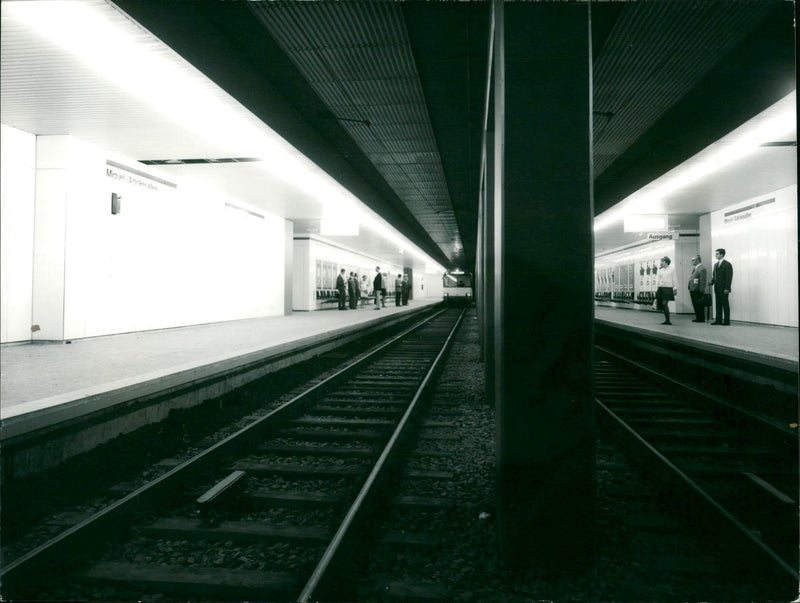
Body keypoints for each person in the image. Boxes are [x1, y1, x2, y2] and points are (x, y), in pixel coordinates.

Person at [710, 248, 733, 325]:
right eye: (716, 254)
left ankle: (726, 321)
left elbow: (729, 278)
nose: (715, 255)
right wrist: (712, 282)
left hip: (724, 289)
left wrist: (727, 288)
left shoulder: (727, 264)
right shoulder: (716, 265)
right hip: (717, 288)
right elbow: (714, 276)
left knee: (725, 304)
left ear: (722, 254)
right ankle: (718, 320)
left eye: (717, 254)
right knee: (718, 305)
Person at [655, 256, 676, 325]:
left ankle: (668, 320)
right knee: (663, 305)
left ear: (666, 262)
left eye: (662, 261)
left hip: (668, 288)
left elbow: (674, 279)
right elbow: (658, 280)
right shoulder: (660, 270)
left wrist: (675, 288)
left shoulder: (672, 269)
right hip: (661, 288)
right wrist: (656, 289)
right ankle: (667, 320)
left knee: (664, 303)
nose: (661, 263)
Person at [687, 255, 707, 323]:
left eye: (693, 260)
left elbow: (702, 281)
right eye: (692, 260)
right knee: (695, 304)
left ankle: (701, 318)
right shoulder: (695, 268)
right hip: (693, 289)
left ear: (698, 260)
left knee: (699, 304)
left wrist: (701, 291)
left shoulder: (701, 269)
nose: (692, 261)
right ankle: (698, 317)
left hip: (697, 290)